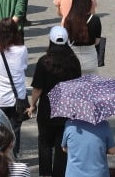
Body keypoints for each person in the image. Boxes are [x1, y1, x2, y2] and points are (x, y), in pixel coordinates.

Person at [26, 26, 81, 177]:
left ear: (50, 41)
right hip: (67, 110)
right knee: (62, 146)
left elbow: (37, 88)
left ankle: (45, 174)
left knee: (44, 144)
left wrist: (32, 105)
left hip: (47, 110)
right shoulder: (74, 62)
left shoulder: (44, 61)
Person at [0, 18, 28, 158]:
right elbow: (24, 67)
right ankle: (14, 156)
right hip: (17, 98)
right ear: (15, 33)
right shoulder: (22, 50)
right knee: (15, 130)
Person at [64, 0, 101, 75]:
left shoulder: (68, 19)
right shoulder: (95, 19)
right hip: (90, 60)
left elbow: (66, 40)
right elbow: (97, 42)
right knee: (91, 87)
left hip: (73, 60)